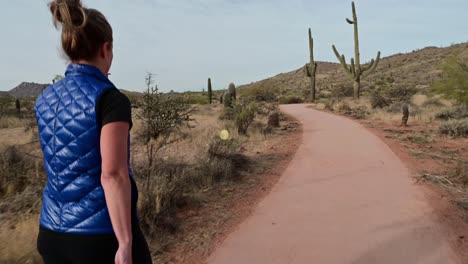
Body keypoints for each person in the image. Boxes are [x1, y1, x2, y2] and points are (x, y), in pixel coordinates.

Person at [34, 1, 152, 263]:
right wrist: (124, 243)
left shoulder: (44, 99)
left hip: (51, 233)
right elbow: (113, 174)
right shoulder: (110, 100)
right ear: (106, 48)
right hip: (100, 236)